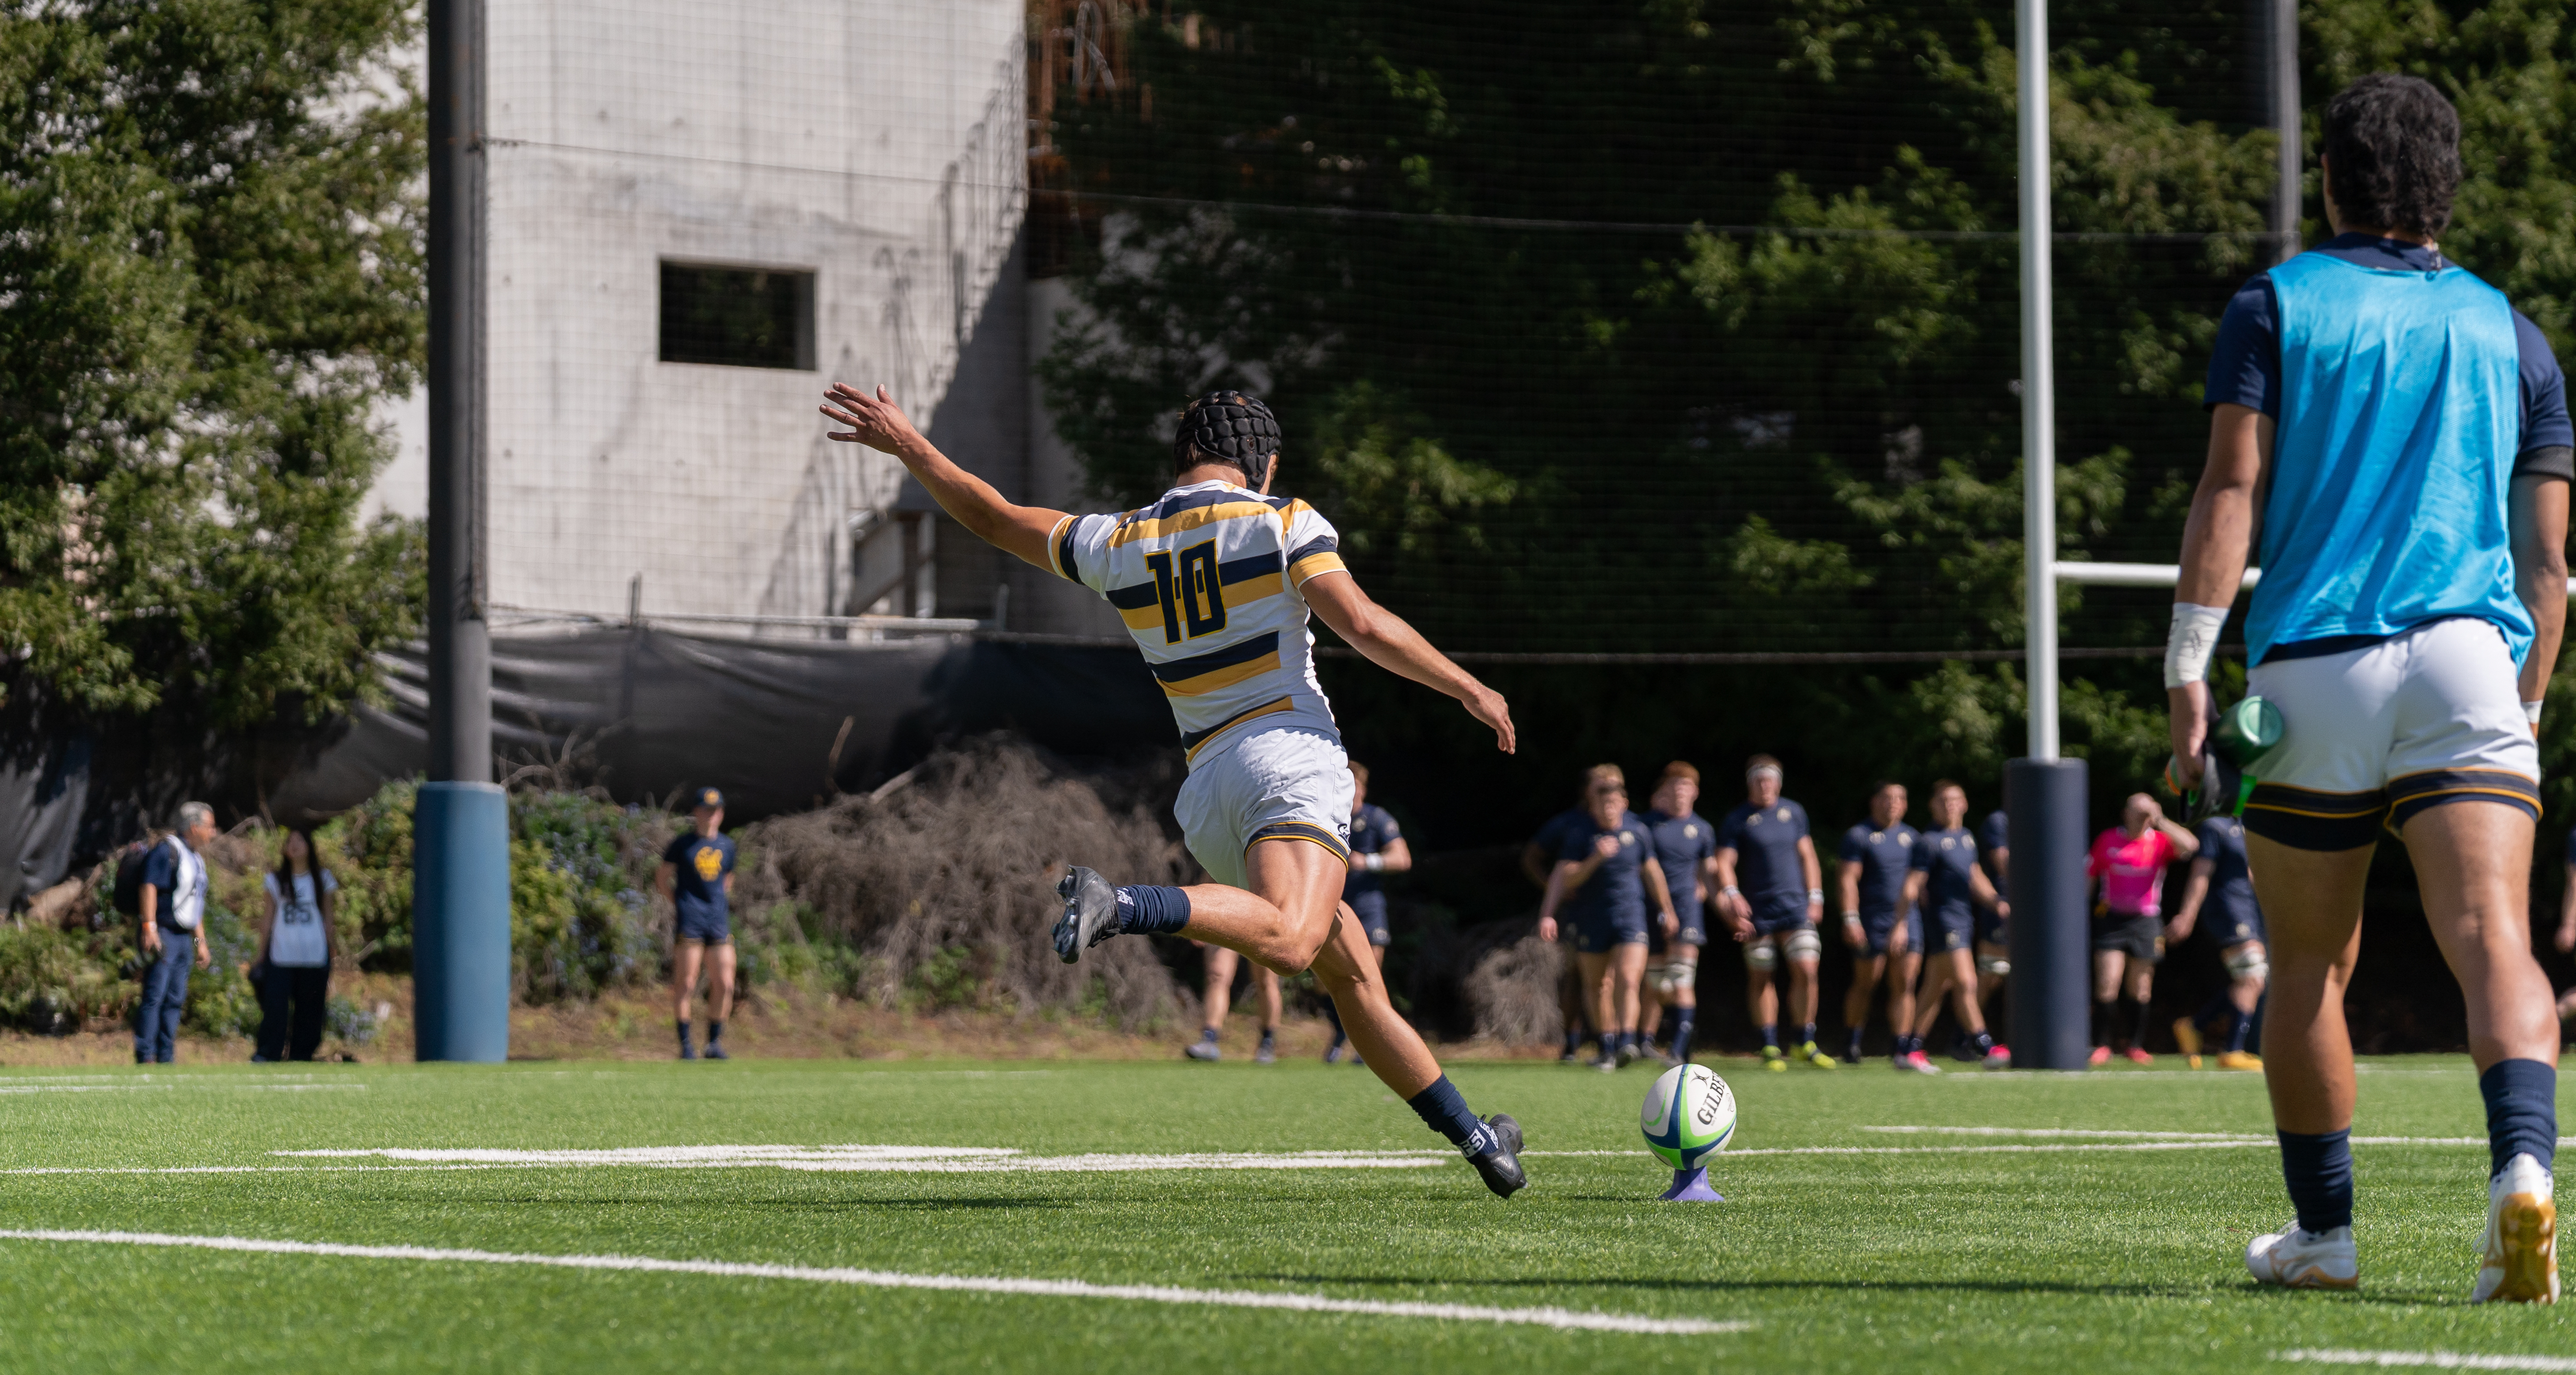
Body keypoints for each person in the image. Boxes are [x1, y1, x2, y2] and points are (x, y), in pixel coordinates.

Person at [823, 383, 1528, 1197]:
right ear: (1263, 464)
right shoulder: (1282, 519)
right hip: (1287, 756)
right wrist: (1470, 687)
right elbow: (1362, 624)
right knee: (1298, 942)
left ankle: (1480, 1140)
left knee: (1349, 971)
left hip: (1209, 792)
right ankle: (1122, 905)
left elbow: (990, 515)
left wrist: (910, 444)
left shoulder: (1120, 539)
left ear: (1183, 459)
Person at [2169, 74, 2567, 1299]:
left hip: (2310, 667)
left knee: (2305, 966)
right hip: (2466, 661)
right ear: (2446, 186)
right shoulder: (2511, 331)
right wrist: (2527, 701)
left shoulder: (2272, 306)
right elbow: (2551, 562)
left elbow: (2230, 489)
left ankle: (2323, 1240)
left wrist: (2187, 660)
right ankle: (2520, 1174)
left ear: (2327, 179)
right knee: (2490, 933)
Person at [1537, 765, 1679, 1070]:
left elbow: (1652, 872)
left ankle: (1627, 1040)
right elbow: (1566, 878)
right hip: (1592, 919)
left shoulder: (1638, 831)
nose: (1608, 808)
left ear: (1625, 803)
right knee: (1596, 984)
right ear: (1593, 804)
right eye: (1603, 803)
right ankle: (1607, 1045)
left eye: (1614, 802)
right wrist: (1595, 858)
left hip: (1631, 917)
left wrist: (1667, 908)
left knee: (1629, 978)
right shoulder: (1581, 833)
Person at [1714, 755, 1831, 1070]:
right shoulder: (1738, 818)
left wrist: (1816, 896)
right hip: (1757, 912)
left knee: (1807, 969)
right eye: (1759, 780)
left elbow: (1808, 856)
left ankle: (1804, 1040)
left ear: (1778, 783)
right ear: (1751, 783)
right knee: (1762, 974)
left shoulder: (1793, 812)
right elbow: (1723, 862)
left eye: (1770, 780)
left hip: (1795, 906)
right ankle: (1768, 1044)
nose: (1765, 785)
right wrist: (1732, 894)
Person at [2085, 793, 2199, 1066]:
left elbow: (2191, 846)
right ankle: (2102, 1044)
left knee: (2141, 988)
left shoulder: (2159, 841)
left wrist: (2161, 820)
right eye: (2136, 813)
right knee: (2108, 983)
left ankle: (2134, 1045)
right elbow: (2088, 878)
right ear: (2125, 813)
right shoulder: (2108, 840)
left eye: (2145, 814)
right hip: (2111, 918)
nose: (2141, 819)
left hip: (2146, 921)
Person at [1903, 781, 2010, 1068]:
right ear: (1933, 805)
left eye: (1955, 799)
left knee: (1935, 986)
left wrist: (1997, 902)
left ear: (1964, 804)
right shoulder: (1928, 841)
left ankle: (1909, 1049)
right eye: (1943, 800)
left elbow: (1975, 877)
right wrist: (1901, 923)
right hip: (1943, 919)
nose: (1950, 805)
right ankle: (1984, 1044)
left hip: (1964, 918)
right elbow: (1912, 886)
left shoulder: (1966, 838)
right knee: (1966, 981)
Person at [1838, 781, 1930, 1071]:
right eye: (1887, 797)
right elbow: (1847, 879)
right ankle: (1851, 1041)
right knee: (1867, 982)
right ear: (1874, 801)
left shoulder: (1913, 837)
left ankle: (1901, 1047)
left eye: (1900, 798)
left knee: (1905, 983)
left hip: (1908, 920)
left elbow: (1919, 883)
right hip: (1872, 921)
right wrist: (1850, 918)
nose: (1894, 803)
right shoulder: (1859, 835)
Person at [1323, 761, 1410, 1064]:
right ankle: (1339, 1035)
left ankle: (1370, 1046)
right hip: (1332, 909)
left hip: (1367, 909)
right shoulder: (1326, 817)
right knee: (1327, 980)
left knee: (1370, 978)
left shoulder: (1375, 818)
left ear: (1362, 788)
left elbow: (1402, 858)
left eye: (1355, 784)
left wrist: (1369, 862)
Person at [2167, 812, 2268, 1072]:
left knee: (2250, 980)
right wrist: (2187, 915)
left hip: (2248, 910)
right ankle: (2232, 1051)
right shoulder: (2216, 827)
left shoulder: (2251, 828)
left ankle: (2194, 1026)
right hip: (2227, 909)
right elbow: (2201, 873)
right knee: (2252, 976)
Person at [1638, 762, 1717, 1065]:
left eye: (1685, 785)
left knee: (1681, 981)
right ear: (1664, 790)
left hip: (1687, 914)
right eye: (1674, 785)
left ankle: (1678, 1049)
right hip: (1649, 911)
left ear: (1695, 792)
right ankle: (1645, 1043)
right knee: (1658, 984)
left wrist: (1715, 898)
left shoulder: (1703, 829)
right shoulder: (1647, 825)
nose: (1679, 791)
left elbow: (1709, 873)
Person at [657, 787, 737, 1061]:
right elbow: (662, 878)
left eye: (715, 811)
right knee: (687, 983)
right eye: (705, 809)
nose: (710, 815)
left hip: (717, 921)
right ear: (696, 812)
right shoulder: (682, 844)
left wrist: (718, 903)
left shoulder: (728, 845)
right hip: (690, 920)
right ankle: (686, 1045)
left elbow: (728, 878)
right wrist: (680, 903)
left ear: (721, 814)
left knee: (725, 982)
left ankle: (714, 1043)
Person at [134, 802, 217, 1065]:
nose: (213, 833)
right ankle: (146, 1054)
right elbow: (149, 887)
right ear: (194, 827)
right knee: (155, 994)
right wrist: (149, 927)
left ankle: (166, 1055)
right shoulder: (167, 850)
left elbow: (195, 908)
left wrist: (200, 943)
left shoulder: (197, 859)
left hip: (184, 937)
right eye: (210, 827)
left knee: (175, 997)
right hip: (164, 932)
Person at [1524, 782, 1598, 1064]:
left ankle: (1613, 1044)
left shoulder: (1625, 826)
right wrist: (1553, 888)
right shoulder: (1570, 824)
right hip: (1575, 912)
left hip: (1613, 913)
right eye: (1600, 787)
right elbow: (1532, 858)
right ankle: (1571, 1041)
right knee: (1575, 976)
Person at [253, 828, 338, 1063]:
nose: (294, 845)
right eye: (290, 841)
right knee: (276, 1010)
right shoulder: (275, 880)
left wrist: (333, 950)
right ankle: (268, 1053)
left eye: (300, 840)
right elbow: (267, 919)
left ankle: (302, 1055)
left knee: (310, 1012)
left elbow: (329, 919)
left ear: (310, 846)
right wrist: (261, 954)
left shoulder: (323, 879)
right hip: (282, 956)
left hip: (314, 956)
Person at [1185, 945, 1279, 1064]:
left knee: (1266, 981)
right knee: (1216, 975)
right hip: (1227, 925)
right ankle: (1209, 1039)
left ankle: (1267, 1043)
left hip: (1263, 926)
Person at [1975, 805, 2013, 1021]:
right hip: (2003, 907)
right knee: (1991, 974)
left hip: (2031, 911)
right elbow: (2004, 865)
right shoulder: (1999, 820)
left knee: (2019, 978)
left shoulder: (2041, 816)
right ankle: (1967, 1036)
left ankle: (2018, 1038)